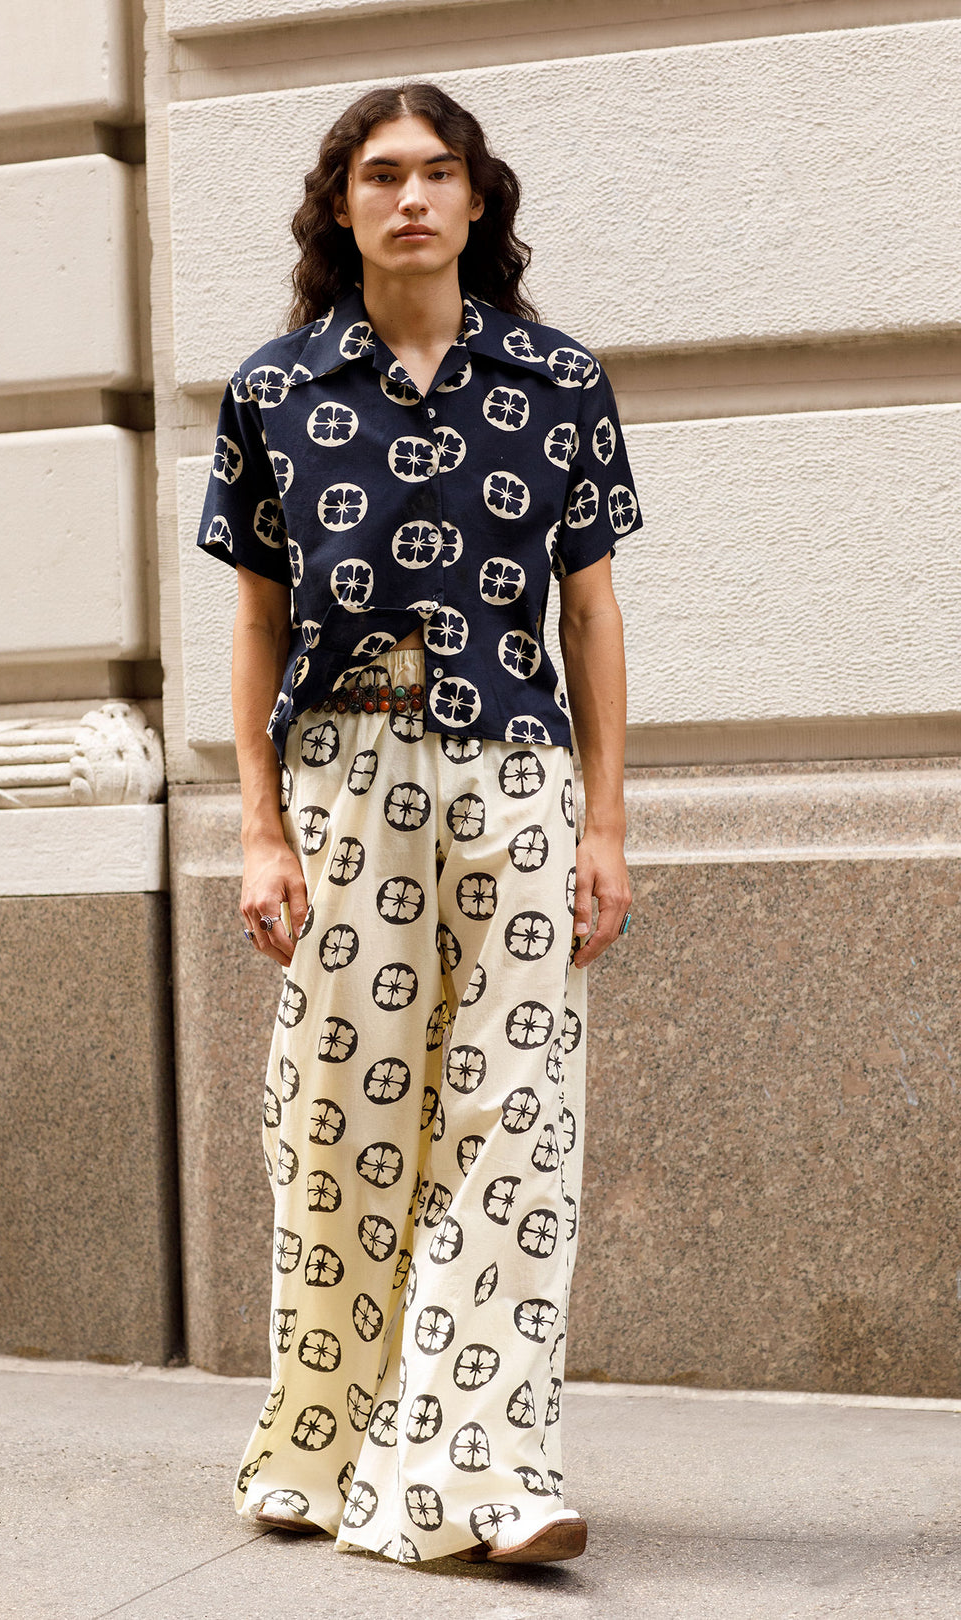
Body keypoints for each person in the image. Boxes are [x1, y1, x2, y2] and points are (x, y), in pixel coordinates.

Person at [196, 79, 642, 1567]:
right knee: (336, 1117)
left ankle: (485, 1472)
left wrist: (607, 824)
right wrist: (258, 829)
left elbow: (591, 612)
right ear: (341, 205)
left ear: (476, 201)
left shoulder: (562, 381)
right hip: (340, 778)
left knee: (514, 1114)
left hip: (516, 778)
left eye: (436, 173)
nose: (410, 198)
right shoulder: (273, 393)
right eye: (380, 174)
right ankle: (319, 1446)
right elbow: (257, 624)